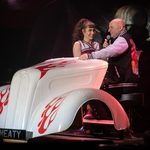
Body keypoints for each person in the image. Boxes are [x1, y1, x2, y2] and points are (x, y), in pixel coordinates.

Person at [72, 18, 100, 119]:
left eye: (94, 30)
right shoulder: (78, 44)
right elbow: (77, 63)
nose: (92, 33)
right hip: (83, 74)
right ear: (83, 31)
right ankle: (88, 111)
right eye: (90, 30)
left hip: (96, 74)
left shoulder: (96, 45)